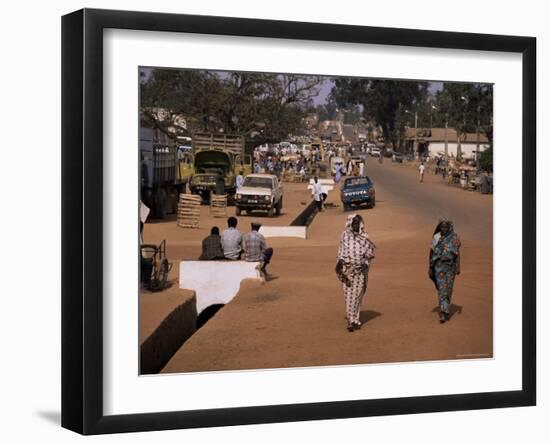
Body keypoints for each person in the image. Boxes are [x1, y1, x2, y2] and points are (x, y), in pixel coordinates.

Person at [335, 214, 376, 332]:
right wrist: (339, 267)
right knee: (349, 296)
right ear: (350, 224)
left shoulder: (365, 237)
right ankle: (351, 320)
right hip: (347, 270)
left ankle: (354, 320)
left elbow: (369, 254)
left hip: (360, 272)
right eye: (354, 223)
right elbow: (340, 252)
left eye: (358, 223)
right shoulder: (344, 236)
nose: (356, 225)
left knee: (357, 296)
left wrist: (365, 263)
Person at [429, 218, 461, 323]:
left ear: (449, 227)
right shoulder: (436, 237)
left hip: (451, 267)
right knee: (442, 289)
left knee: (448, 289)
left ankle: (445, 307)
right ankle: (443, 313)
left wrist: (458, 266)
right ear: (439, 227)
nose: (444, 228)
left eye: (446, 226)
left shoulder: (454, 237)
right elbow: (431, 252)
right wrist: (430, 267)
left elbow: (457, 253)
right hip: (439, 266)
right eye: (442, 226)